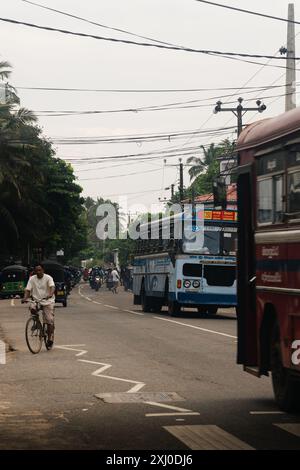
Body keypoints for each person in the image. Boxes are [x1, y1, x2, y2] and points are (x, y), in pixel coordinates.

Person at [22, 263, 55, 348]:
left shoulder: (48, 278)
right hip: (36, 300)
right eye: (36, 270)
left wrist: (50, 294)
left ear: (43, 270)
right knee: (32, 308)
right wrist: (25, 298)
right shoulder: (32, 279)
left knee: (49, 320)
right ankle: (36, 322)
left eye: (40, 270)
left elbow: (52, 287)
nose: (38, 272)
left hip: (47, 301)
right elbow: (27, 289)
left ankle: (50, 338)